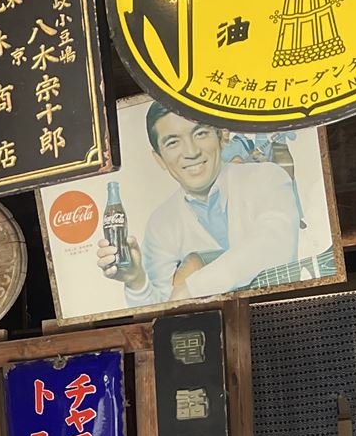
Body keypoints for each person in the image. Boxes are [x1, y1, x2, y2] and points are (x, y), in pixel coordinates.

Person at [98, 103, 304, 305]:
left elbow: (275, 244)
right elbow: (159, 309)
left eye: (201, 133)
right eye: (173, 142)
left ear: (221, 137)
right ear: (159, 159)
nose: (191, 151)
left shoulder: (266, 177)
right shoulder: (160, 223)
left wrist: (193, 288)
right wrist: (136, 281)